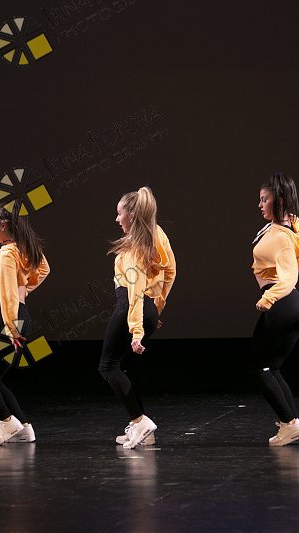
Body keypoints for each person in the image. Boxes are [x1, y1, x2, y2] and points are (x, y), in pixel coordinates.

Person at [100, 186, 176, 449]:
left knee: (107, 366)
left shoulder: (135, 247)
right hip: (148, 308)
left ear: (131, 215)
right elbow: (171, 271)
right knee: (118, 367)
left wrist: (137, 330)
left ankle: (140, 422)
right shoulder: (157, 235)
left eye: (120, 214)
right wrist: (156, 308)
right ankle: (141, 428)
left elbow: (134, 291)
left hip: (133, 307)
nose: (117, 219)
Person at [0, 204, 50, 445]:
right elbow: (44, 268)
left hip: (7, 318)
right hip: (21, 318)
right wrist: (25, 289)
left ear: (3, 225)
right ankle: (24, 428)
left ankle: (7, 422)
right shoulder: (22, 248)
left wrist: (12, 329)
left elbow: (8, 295)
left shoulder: (6, 254)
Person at [250, 172, 299, 446]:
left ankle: (290, 424)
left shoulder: (280, 236)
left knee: (258, 367)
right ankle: (293, 425)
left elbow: (289, 279)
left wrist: (270, 296)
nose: (259, 205)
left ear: (278, 201)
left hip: (282, 302)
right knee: (271, 367)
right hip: (294, 304)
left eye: (264, 200)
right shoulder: (289, 225)